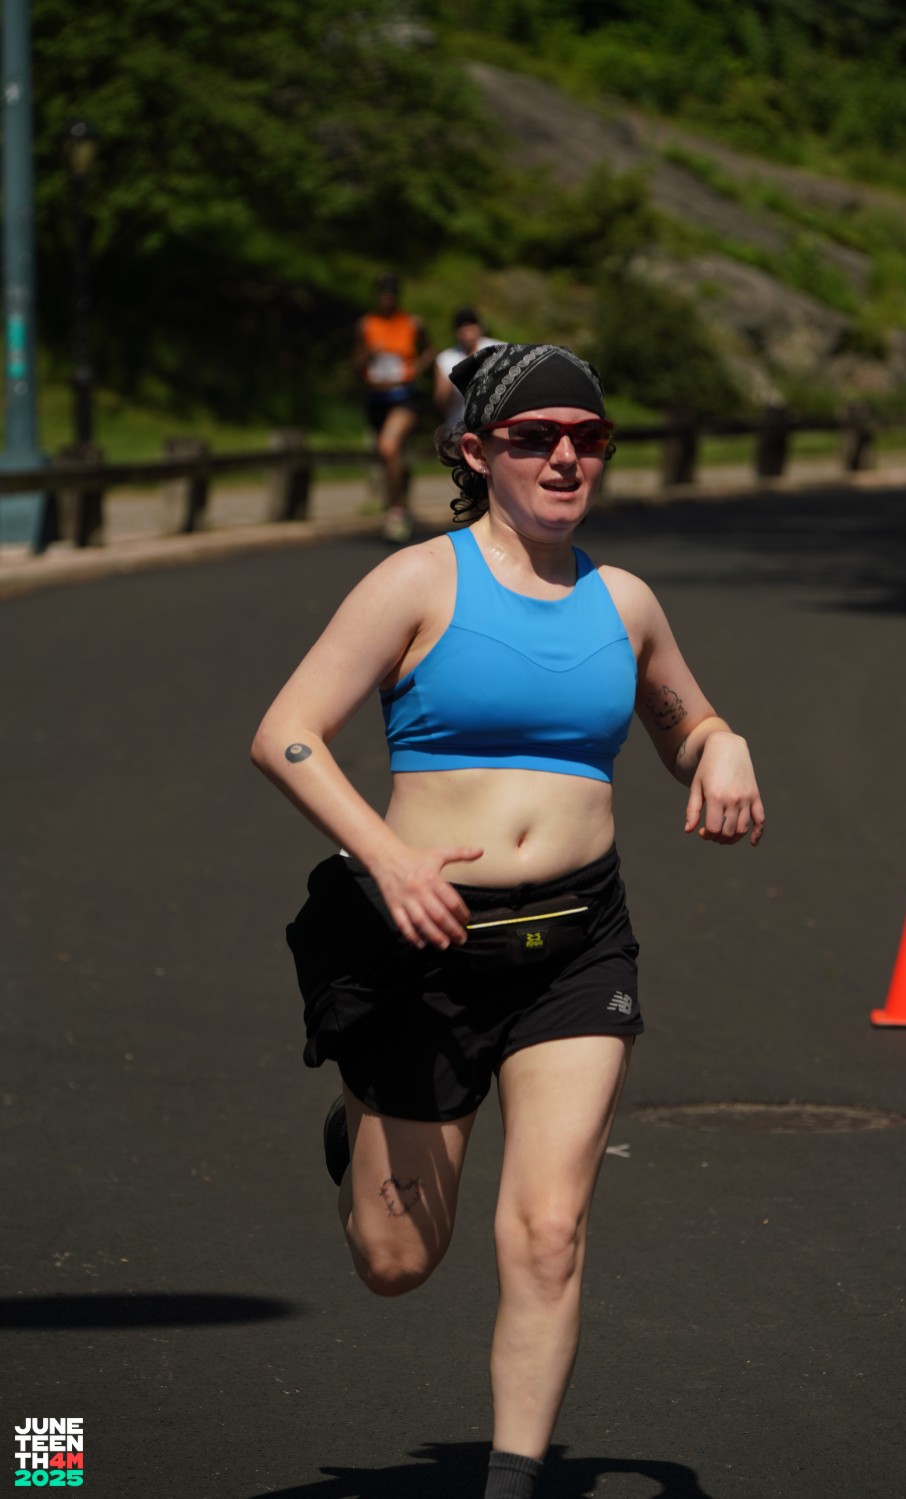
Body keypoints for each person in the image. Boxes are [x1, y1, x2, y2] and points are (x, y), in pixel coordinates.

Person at [251, 343, 765, 1499]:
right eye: (535, 436)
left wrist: (721, 742)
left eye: (588, 436)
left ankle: (513, 1478)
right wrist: (385, 856)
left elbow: (684, 720)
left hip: (578, 944)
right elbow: (285, 732)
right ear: (476, 451)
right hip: (425, 945)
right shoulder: (416, 583)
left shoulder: (622, 601)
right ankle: (361, 1115)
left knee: (546, 1228)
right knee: (395, 1261)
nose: (566, 456)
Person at [353, 270, 435, 544]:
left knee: (389, 447)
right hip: (377, 397)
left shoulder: (412, 323)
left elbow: (429, 350)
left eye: (390, 293)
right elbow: (355, 365)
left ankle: (395, 512)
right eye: (382, 293)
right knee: (390, 456)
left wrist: (416, 368)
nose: (386, 298)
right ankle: (402, 502)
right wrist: (368, 355)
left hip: (404, 396)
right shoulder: (367, 324)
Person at [433, 306, 504, 428]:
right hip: (459, 424)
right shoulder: (445, 359)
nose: (466, 332)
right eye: (462, 327)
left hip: (494, 423)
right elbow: (440, 403)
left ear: (480, 328)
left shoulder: (498, 349)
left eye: (470, 326)